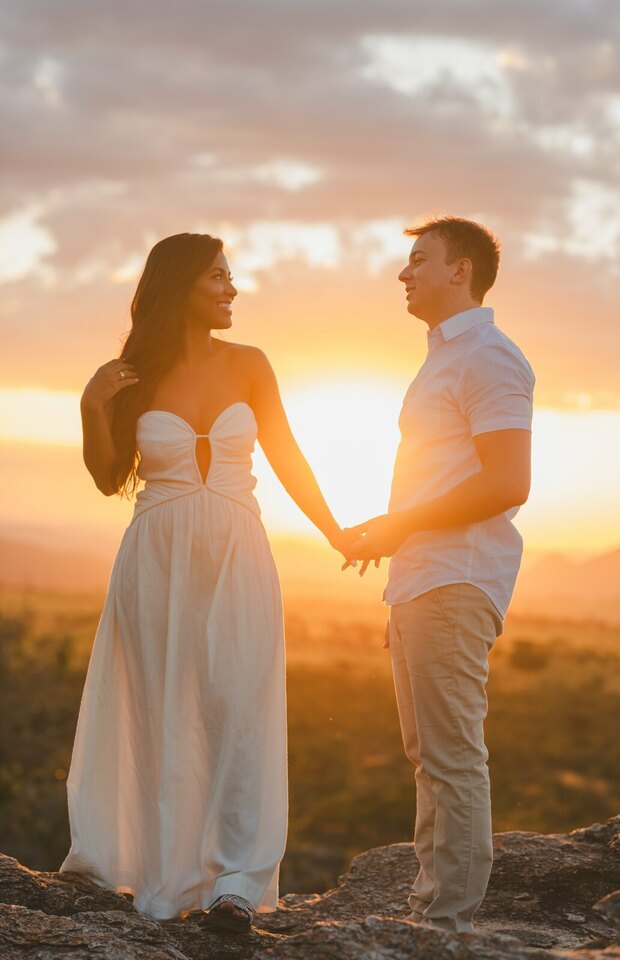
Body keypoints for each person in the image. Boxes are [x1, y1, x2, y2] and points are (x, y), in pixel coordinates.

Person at [59, 232, 351, 933]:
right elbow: (107, 478)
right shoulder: (133, 375)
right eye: (217, 277)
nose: (231, 288)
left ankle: (235, 883)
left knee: (238, 707)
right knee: (160, 708)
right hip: (155, 557)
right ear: (180, 285)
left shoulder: (250, 363)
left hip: (237, 554)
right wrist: (91, 407)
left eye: (230, 276)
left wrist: (335, 531)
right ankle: (160, 869)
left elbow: (286, 453)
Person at [346, 216, 535, 933]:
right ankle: (429, 909)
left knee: (452, 757)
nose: (404, 273)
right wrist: (397, 554)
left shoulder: (489, 356)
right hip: (423, 579)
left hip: (455, 578)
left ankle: (447, 923)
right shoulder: (443, 358)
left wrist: (399, 526)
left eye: (419, 259)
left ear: (461, 271)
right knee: (428, 755)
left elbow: (507, 481)